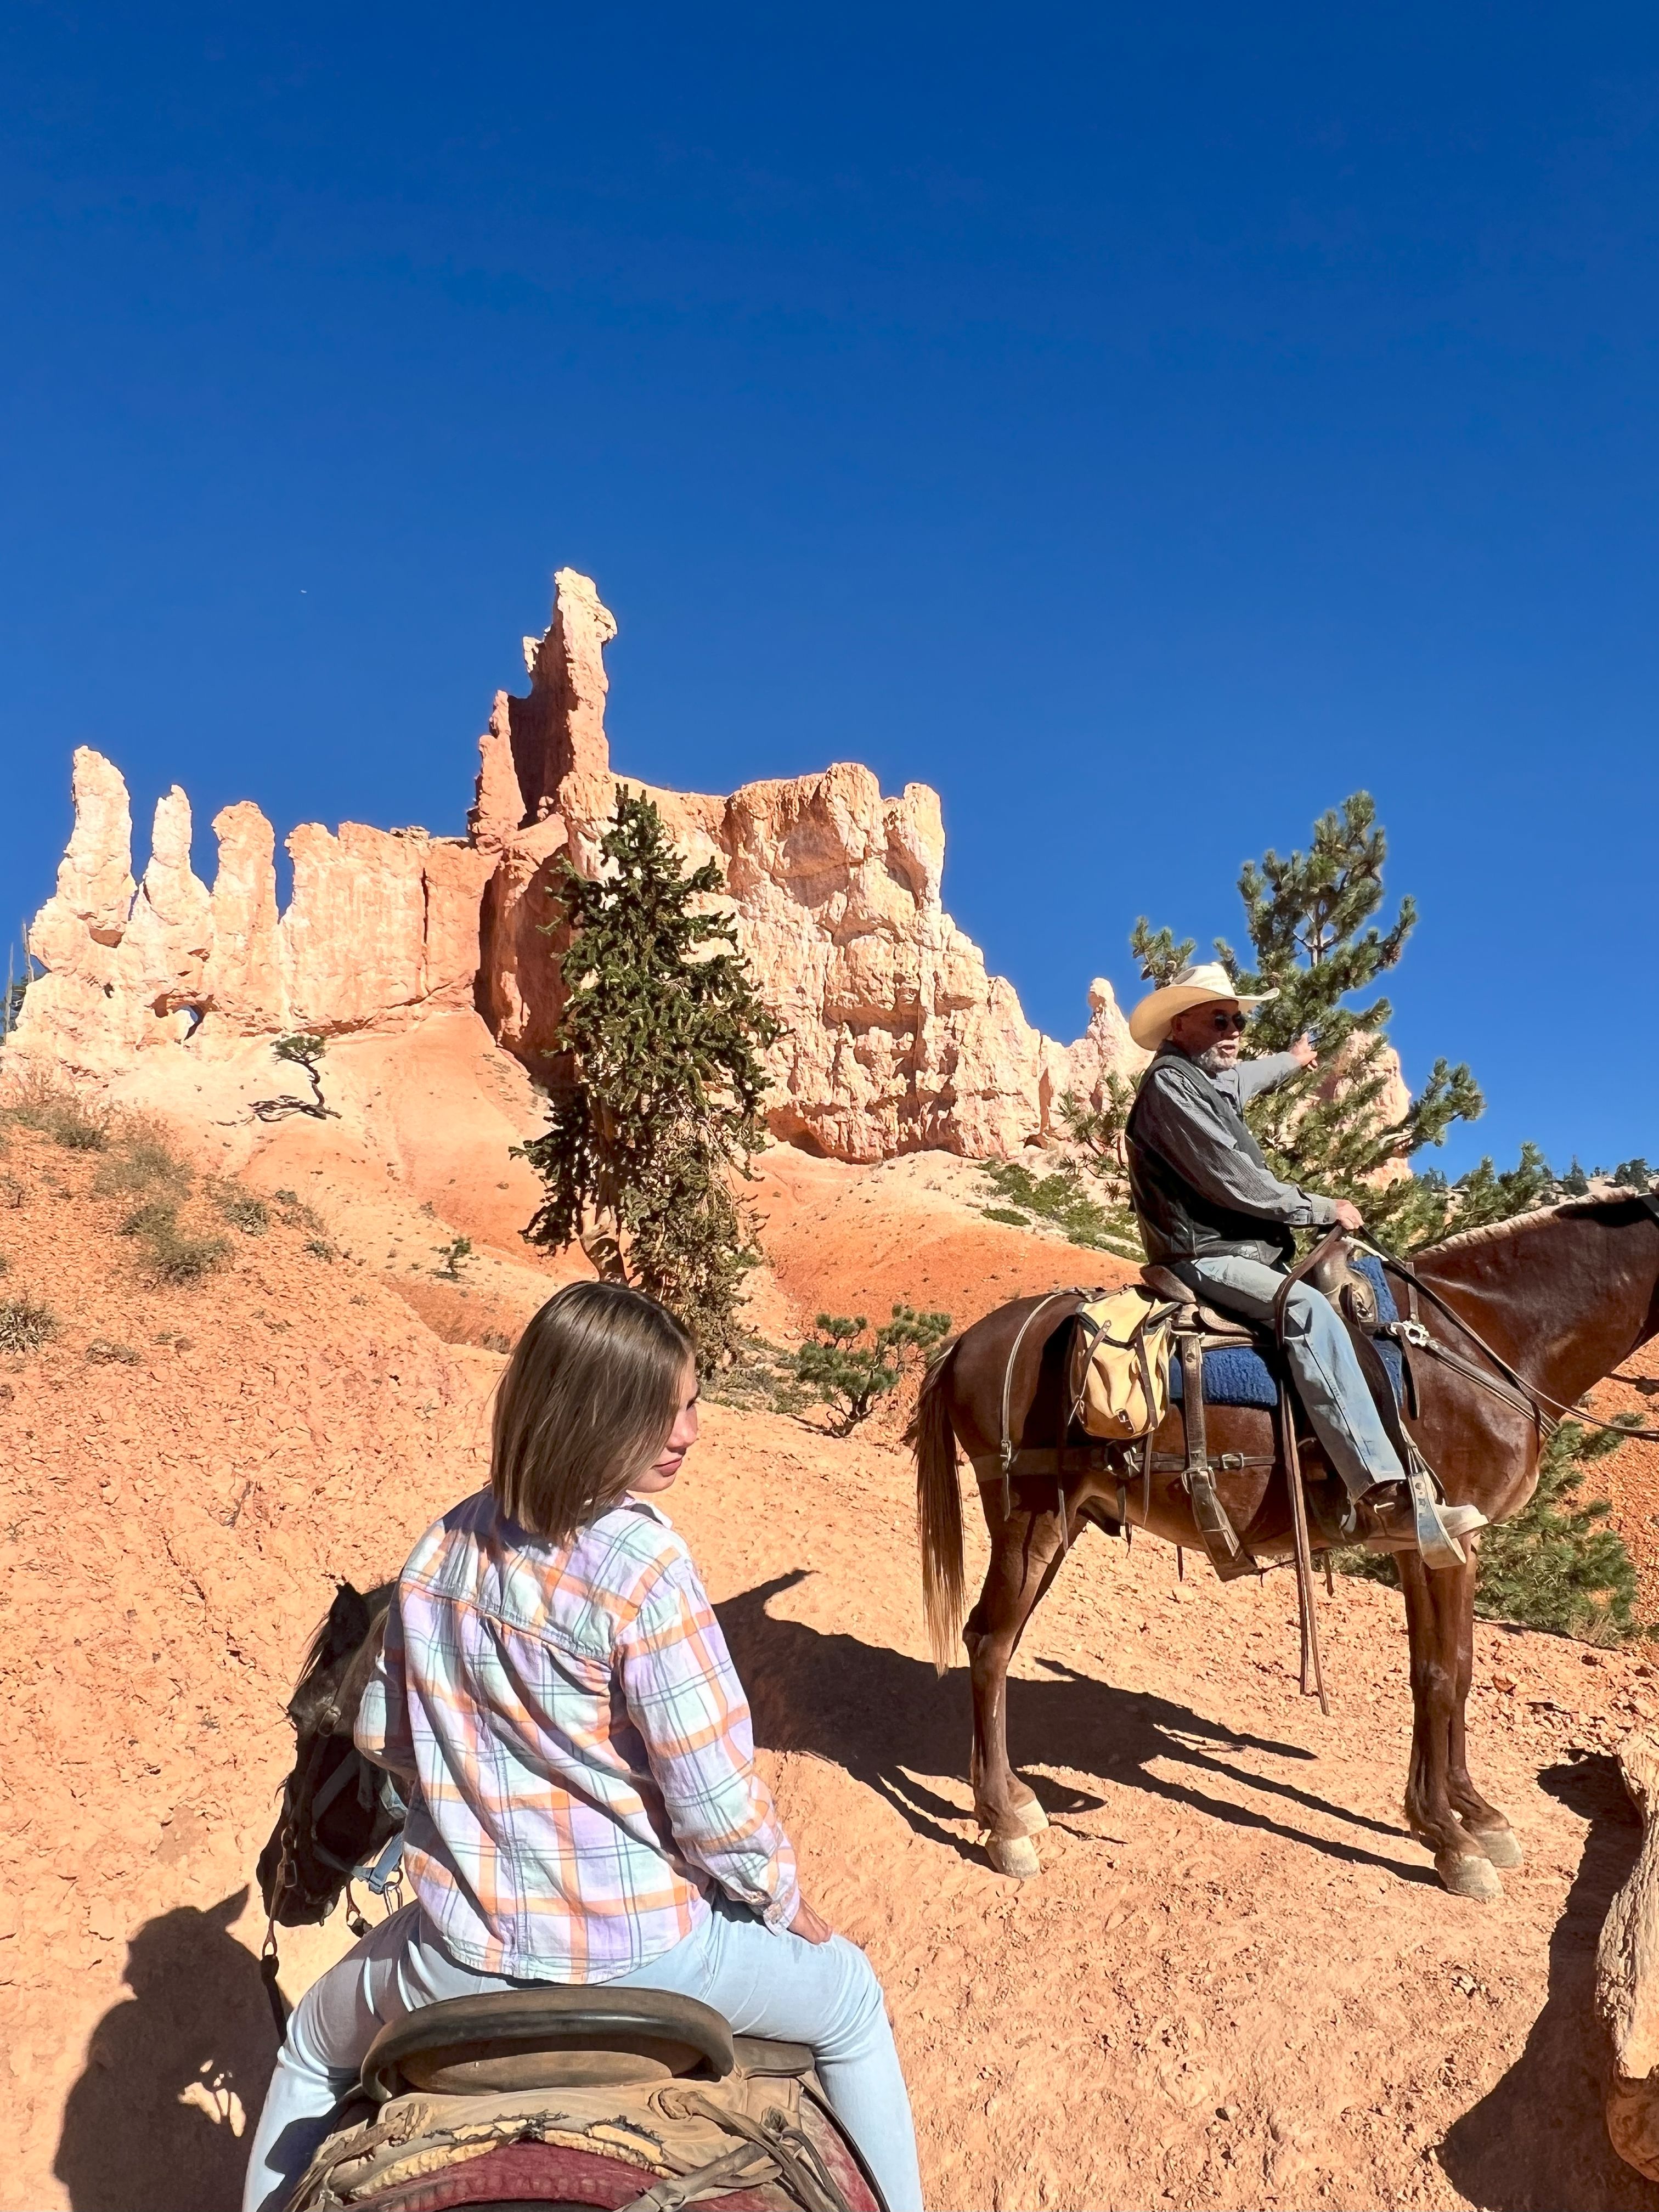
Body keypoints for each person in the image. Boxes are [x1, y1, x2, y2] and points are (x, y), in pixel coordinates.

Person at [242, 1281, 923, 2212]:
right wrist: (778, 1896)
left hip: (455, 1957)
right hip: (649, 1953)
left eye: (691, 1401)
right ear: (596, 1414)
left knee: (308, 2055)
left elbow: (383, 1738)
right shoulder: (645, 1568)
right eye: (665, 1408)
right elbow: (713, 1799)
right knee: (849, 2002)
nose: (690, 1429)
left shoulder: (440, 1550)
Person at [1123, 960, 1486, 1559]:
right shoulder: (1169, 1087)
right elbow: (1233, 1180)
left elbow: (1244, 1081)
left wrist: (1292, 1061)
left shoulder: (1203, 1080)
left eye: (1238, 1018)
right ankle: (1381, 1499)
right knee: (1310, 1313)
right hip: (1202, 1255)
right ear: (1180, 1024)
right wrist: (1322, 1207)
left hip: (1240, 1250)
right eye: (1221, 1018)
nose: (1235, 1029)